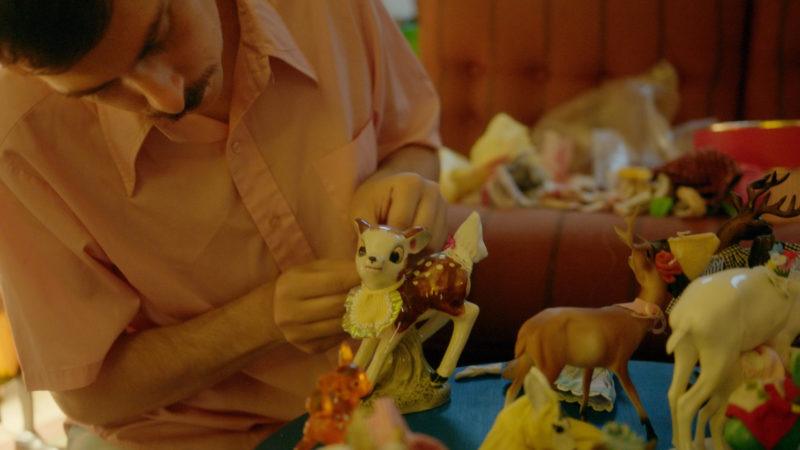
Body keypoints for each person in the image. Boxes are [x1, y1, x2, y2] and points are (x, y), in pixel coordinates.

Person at [0, 0, 445, 448]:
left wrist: (400, 183)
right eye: (102, 89)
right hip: (193, 437)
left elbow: (413, 142)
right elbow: (89, 393)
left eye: (161, 32)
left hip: (395, 396)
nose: (167, 98)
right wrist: (262, 320)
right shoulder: (20, 142)